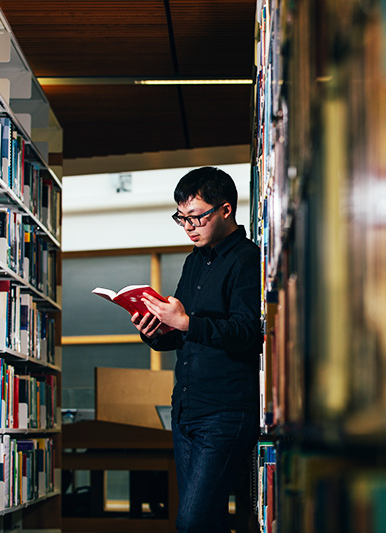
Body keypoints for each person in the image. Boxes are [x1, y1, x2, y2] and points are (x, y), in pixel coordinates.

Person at [131, 166, 261, 532]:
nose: (188, 226)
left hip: (226, 411)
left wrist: (186, 322)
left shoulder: (247, 259)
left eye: (196, 216)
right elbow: (178, 336)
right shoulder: (193, 261)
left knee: (192, 521)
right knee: (210, 521)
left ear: (225, 210)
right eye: (181, 218)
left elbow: (246, 331)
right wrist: (154, 331)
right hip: (186, 410)